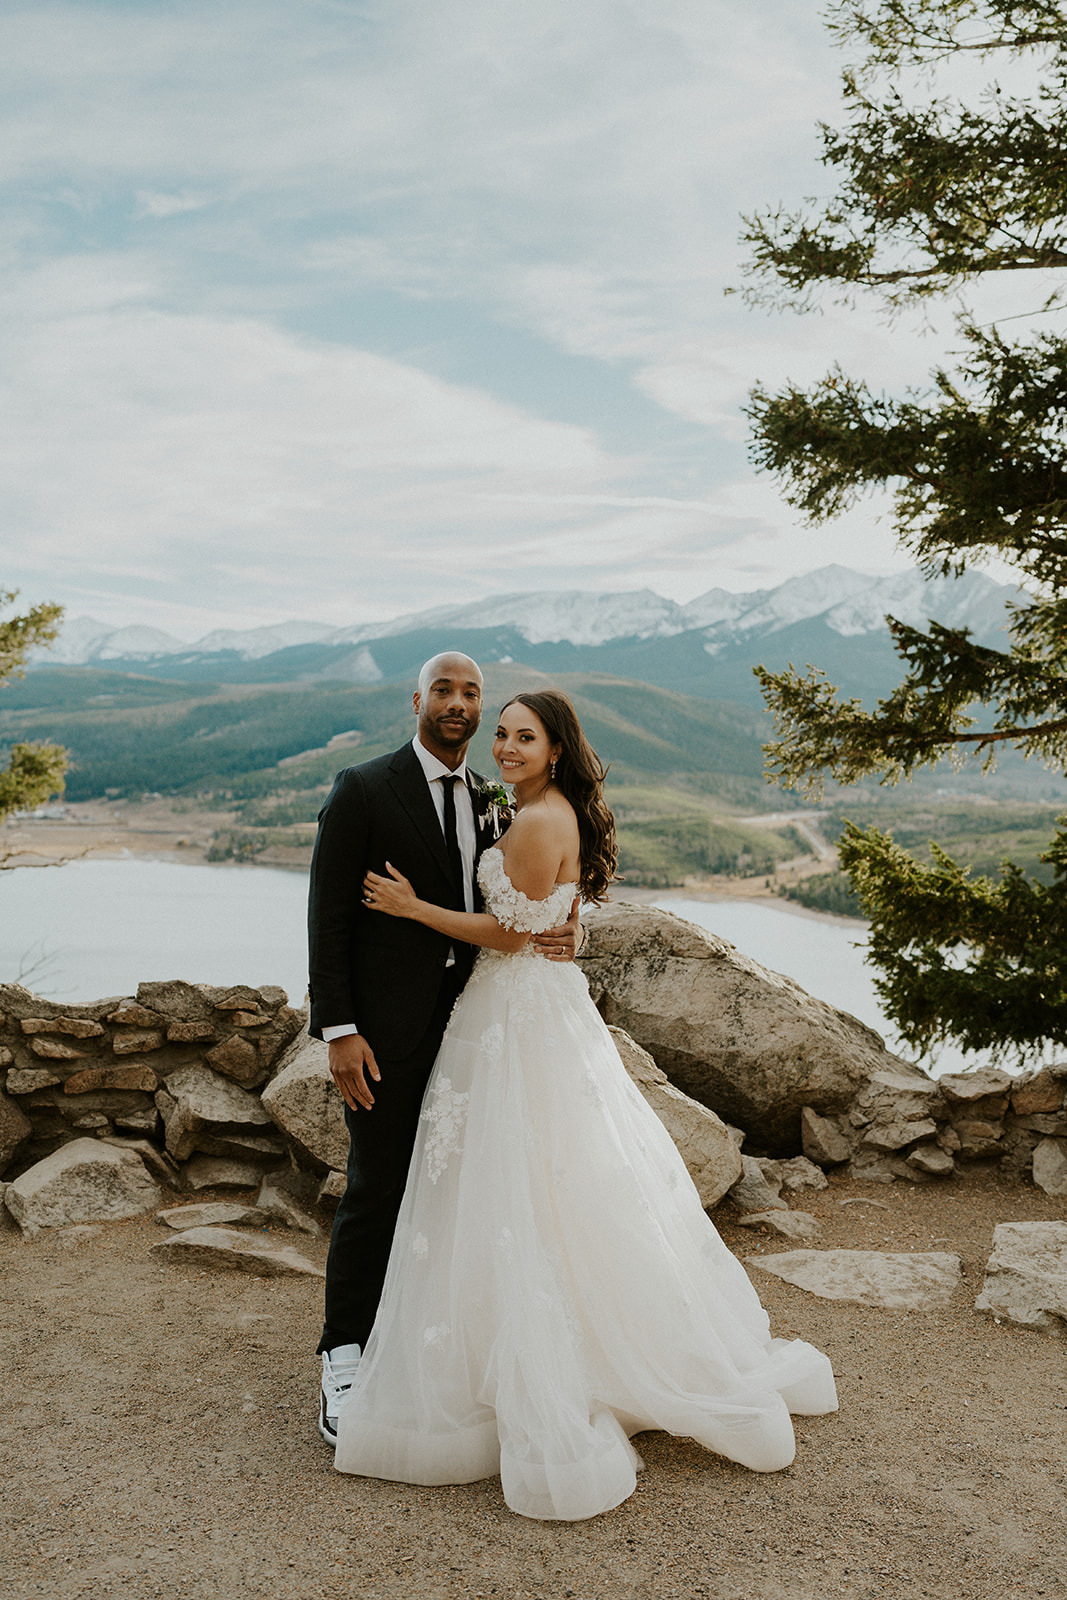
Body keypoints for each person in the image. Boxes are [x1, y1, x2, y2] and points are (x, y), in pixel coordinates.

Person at [332, 688, 838, 1522]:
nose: (504, 748)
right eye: (500, 735)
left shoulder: (535, 821)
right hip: (528, 1006)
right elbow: (554, 916)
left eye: (523, 738)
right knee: (541, 1180)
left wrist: (414, 908)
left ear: (557, 747)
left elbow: (512, 932)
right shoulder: (531, 809)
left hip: (514, 1012)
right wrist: (561, 921)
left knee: (514, 1179)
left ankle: (535, 1365)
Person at [307, 653, 580, 1446]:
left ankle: (426, 1344)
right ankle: (344, 1355)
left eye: (472, 695)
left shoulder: (497, 801)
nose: (458, 706)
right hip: (384, 1036)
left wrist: (565, 926)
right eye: (445, 691)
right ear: (417, 699)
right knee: (376, 1187)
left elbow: (529, 901)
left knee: (456, 1195)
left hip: (476, 1034)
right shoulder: (362, 788)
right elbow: (328, 918)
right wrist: (340, 1030)